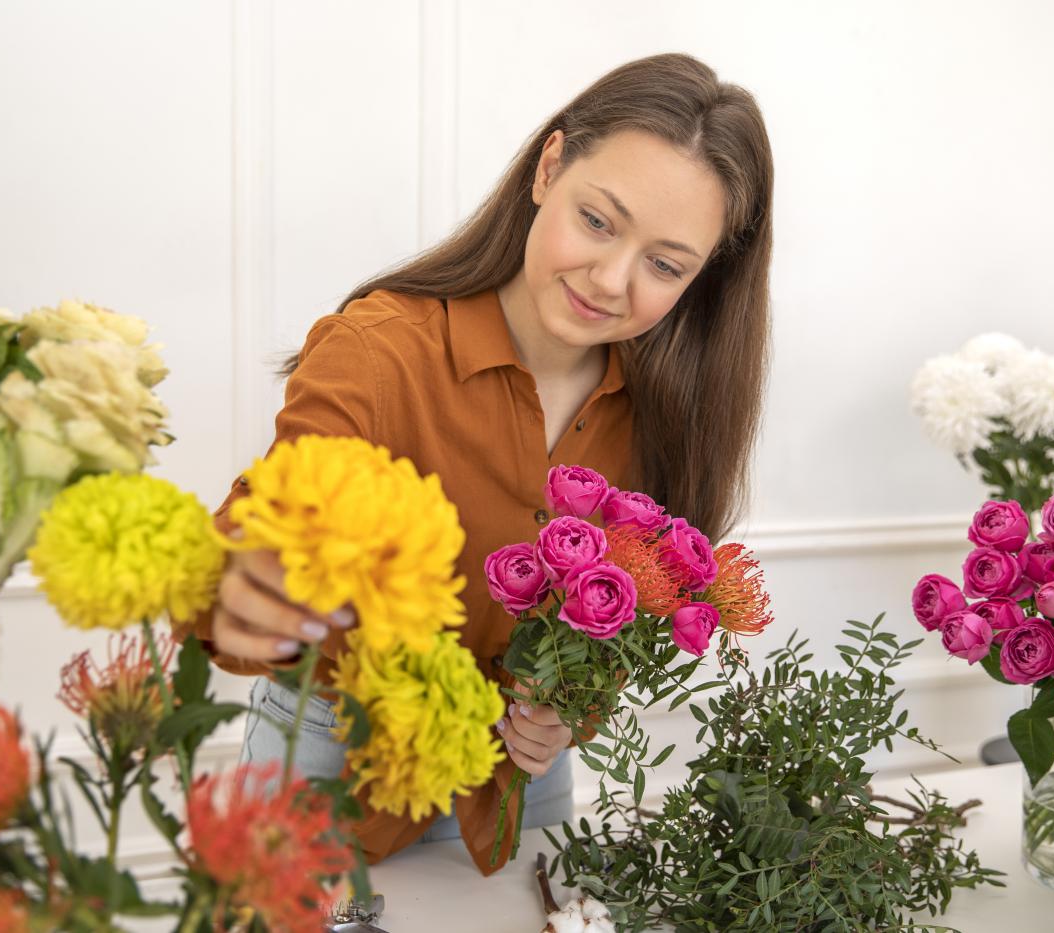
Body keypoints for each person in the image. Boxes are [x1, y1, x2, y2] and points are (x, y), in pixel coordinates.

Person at [174, 51, 773, 875]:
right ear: (550, 167)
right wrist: (243, 591)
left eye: (664, 265)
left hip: (523, 783)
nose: (609, 279)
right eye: (597, 221)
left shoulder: (666, 414)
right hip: (328, 760)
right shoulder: (378, 353)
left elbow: (626, 620)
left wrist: (571, 711)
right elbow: (247, 564)